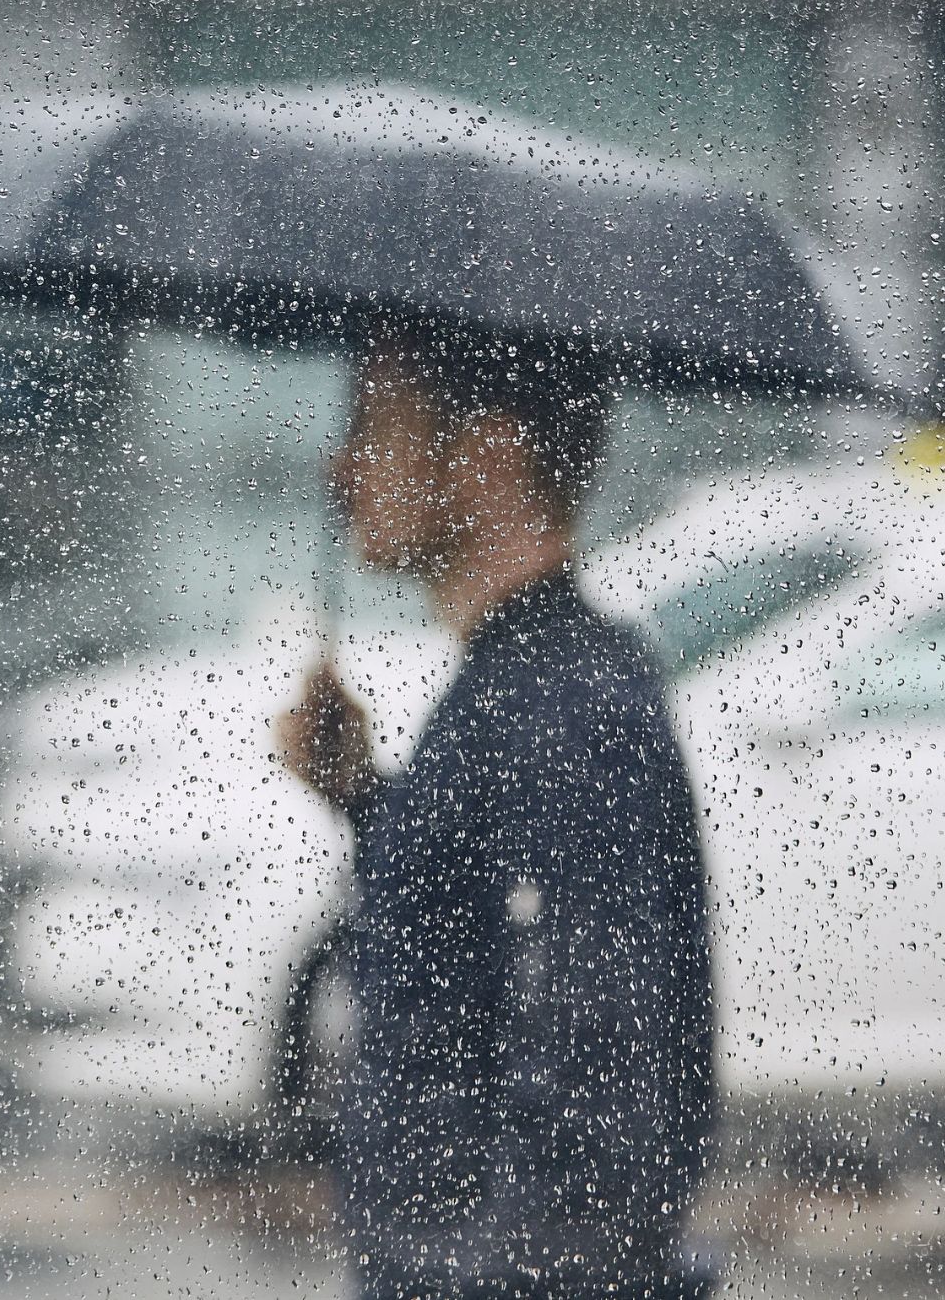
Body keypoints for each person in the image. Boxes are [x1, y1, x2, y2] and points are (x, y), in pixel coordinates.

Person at [279, 315, 714, 1300]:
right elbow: (472, 951)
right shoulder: (524, 685)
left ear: (487, 454)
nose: (339, 468)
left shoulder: (561, 705)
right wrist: (360, 796)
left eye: (377, 425)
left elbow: (598, 1084)